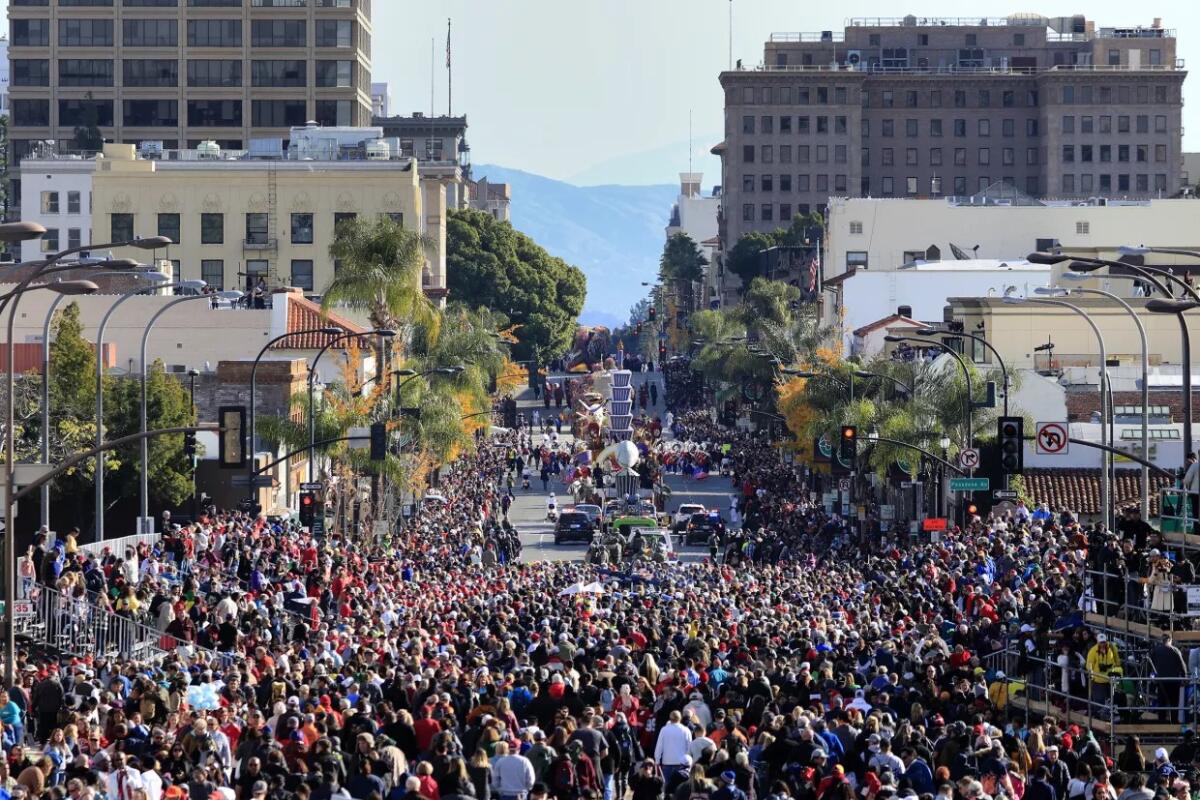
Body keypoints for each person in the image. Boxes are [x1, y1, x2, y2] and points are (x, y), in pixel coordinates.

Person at [653, 711, 691, 785]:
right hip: (682, 763)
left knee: (667, 787)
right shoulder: (686, 730)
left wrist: (657, 760)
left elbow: (659, 746)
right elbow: (689, 748)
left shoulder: (664, 730)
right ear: (680, 718)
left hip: (667, 763)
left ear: (670, 718)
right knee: (679, 787)